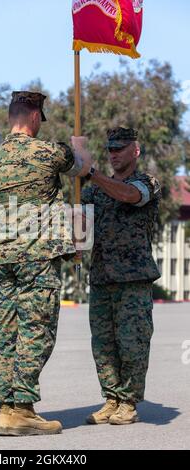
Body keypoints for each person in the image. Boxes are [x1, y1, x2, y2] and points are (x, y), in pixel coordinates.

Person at [0, 91, 91, 436]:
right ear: (34, 117)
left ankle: (6, 407)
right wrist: (79, 143)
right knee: (36, 331)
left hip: (1, 258)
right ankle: (23, 410)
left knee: (5, 333)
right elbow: (83, 166)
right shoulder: (47, 152)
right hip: (36, 257)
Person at [80, 127, 161, 425]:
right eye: (110, 149)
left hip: (133, 279)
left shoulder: (147, 183)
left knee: (133, 342)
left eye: (120, 149)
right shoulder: (91, 191)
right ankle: (111, 397)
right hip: (101, 277)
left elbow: (129, 196)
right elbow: (79, 228)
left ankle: (128, 401)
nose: (114, 154)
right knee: (103, 344)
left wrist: (92, 174)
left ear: (135, 151)